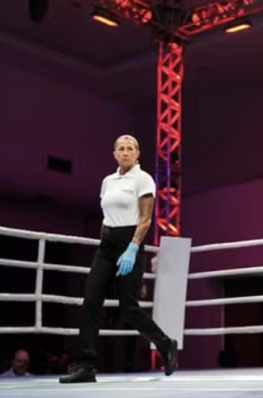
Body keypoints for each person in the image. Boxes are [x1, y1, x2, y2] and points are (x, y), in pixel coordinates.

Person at [60, 135, 178, 384]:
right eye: (121, 148)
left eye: (130, 148)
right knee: (91, 302)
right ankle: (86, 366)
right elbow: (107, 216)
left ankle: (165, 344)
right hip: (107, 245)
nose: (125, 152)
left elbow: (145, 218)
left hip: (130, 240)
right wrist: (106, 242)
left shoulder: (143, 178)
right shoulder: (108, 182)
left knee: (129, 308)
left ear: (137, 154)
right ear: (114, 153)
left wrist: (133, 247)